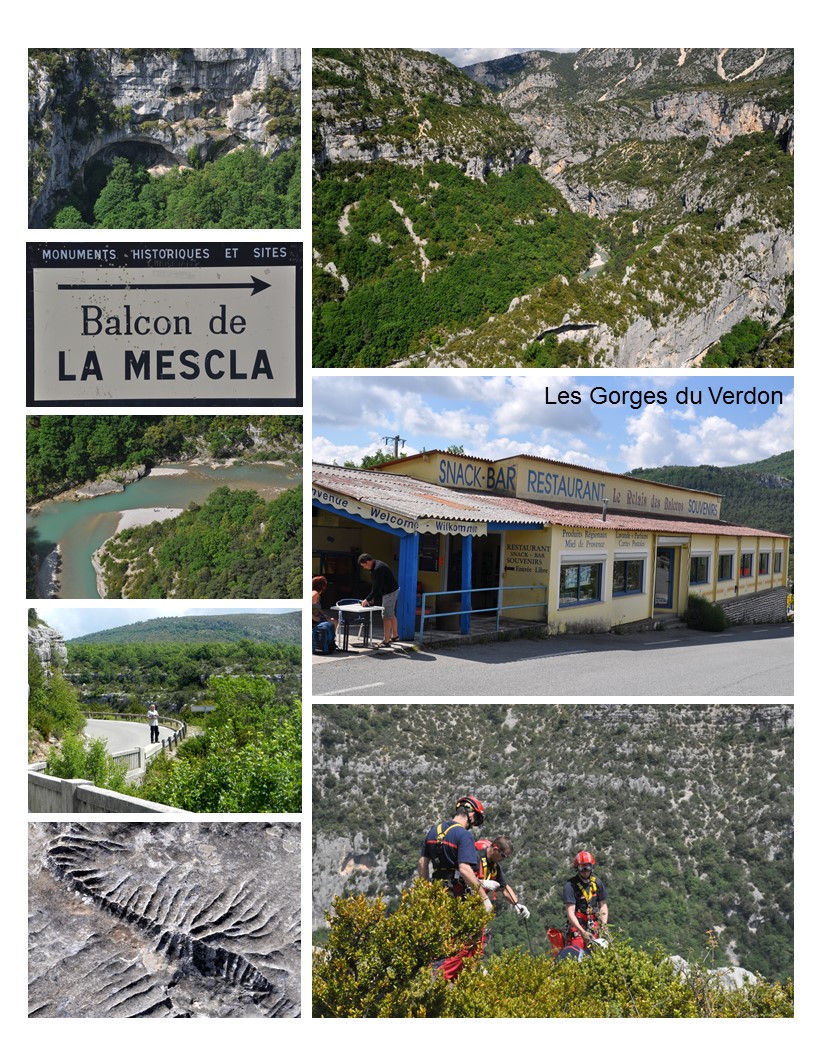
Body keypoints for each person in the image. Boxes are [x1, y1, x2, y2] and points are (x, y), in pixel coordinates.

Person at [419, 795, 491, 981]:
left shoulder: (433, 831)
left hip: (436, 892)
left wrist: (425, 892)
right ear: (471, 815)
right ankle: (445, 977)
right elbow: (465, 869)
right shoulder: (463, 834)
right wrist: (483, 897)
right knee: (466, 940)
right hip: (456, 895)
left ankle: (432, 971)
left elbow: (423, 864)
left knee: (440, 936)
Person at [562, 850, 608, 953]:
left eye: (588, 867)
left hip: (594, 925)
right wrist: (582, 932)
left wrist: (604, 926)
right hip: (578, 927)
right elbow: (570, 913)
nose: (585, 871)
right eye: (581, 868)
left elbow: (603, 906)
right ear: (577, 868)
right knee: (576, 954)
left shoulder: (597, 882)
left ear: (592, 867)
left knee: (598, 954)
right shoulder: (570, 886)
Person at [474, 836, 530, 920]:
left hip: (476, 906)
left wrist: (517, 904)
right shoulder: (476, 856)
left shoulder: (495, 866)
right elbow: (463, 876)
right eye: (503, 856)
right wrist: (482, 883)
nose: (503, 859)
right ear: (496, 849)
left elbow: (504, 888)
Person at [357, 553, 399, 648]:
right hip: (392, 590)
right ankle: (395, 635)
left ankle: (386, 640)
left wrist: (367, 599)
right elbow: (375, 585)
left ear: (367, 562)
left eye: (364, 566)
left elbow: (378, 587)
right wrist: (372, 597)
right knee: (390, 613)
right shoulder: (375, 566)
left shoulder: (378, 569)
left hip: (389, 592)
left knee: (386, 616)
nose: (364, 568)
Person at [312, 575, 337, 653]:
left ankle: (330, 640)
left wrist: (324, 614)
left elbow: (317, 607)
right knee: (334, 622)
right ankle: (330, 641)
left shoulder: (317, 594)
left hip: (317, 616)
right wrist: (313, 617)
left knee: (334, 620)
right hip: (313, 618)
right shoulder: (314, 594)